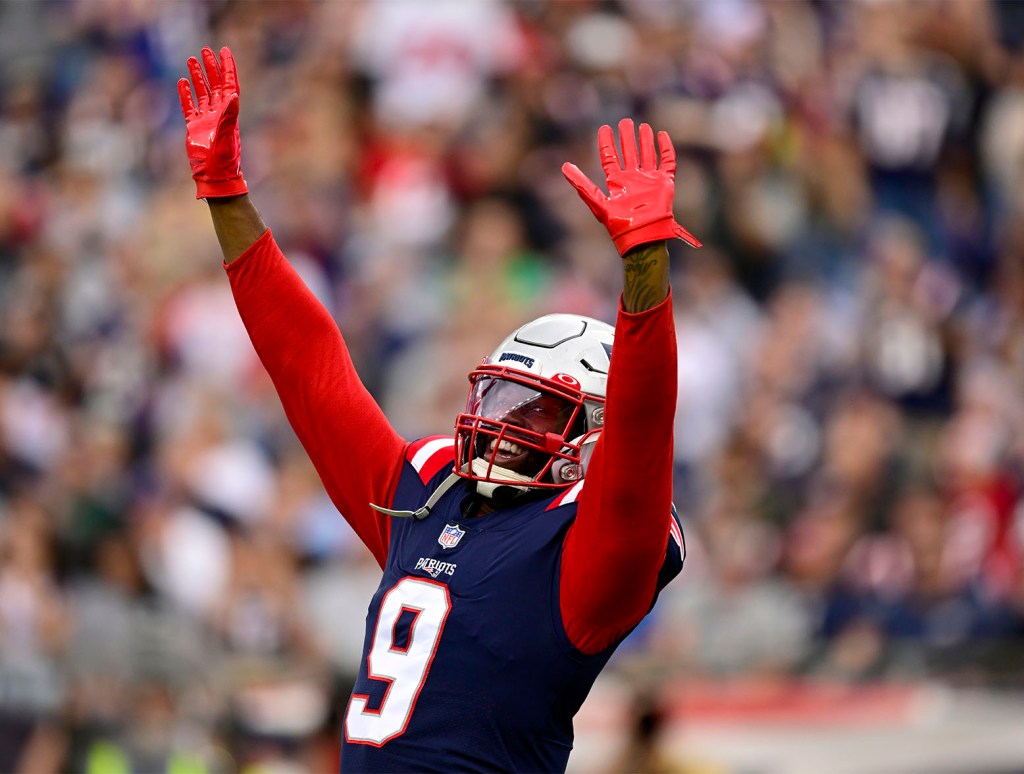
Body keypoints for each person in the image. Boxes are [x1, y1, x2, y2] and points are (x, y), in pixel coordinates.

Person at [178, 46, 697, 773]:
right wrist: (225, 191)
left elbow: (643, 431)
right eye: (503, 397)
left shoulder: (588, 554)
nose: (506, 423)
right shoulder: (431, 492)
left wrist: (645, 267)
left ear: (591, 434)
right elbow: (311, 371)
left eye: (539, 411)